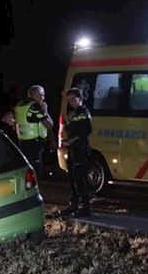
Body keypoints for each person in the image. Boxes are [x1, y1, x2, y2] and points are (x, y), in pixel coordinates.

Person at [60, 87, 93, 217]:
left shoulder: (83, 112)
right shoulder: (73, 113)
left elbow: (87, 130)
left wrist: (72, 140)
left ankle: (85, 207)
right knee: (73, 178)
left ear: (80, 99)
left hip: (80, 148)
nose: (71, 102)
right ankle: (73, 205)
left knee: (80, 178)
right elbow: (70, 129)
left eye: (73, 99)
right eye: (69, 100)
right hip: (73, 148)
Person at [14, 85, 55, 178]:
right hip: (34, 144)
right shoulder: (35, 107)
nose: (43, 98)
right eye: (41, 95)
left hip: (22, 143)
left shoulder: (20, 105)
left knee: (27, 170)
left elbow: (7, 119)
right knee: (35, 172)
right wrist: (45, 110)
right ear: (35, 94)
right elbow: (49, 125)